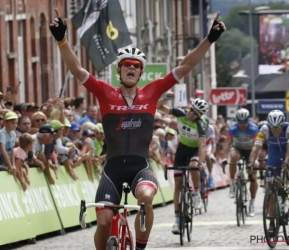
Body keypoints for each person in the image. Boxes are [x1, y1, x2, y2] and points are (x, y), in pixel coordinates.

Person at [49, 8, 225, 250]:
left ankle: (140, 247)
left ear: (141, 72)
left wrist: (209, 40)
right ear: (119, 70)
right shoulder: (105, 92)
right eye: (126, 65)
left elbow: (184, 66)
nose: (131, 68)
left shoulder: (151, 93)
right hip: (112, 168)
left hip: (140, 166)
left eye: (135, 65)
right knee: (102, 222)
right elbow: (77, 70)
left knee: (145, 197)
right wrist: (61, 40)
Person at [157, 97, 208, 234]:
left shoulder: (201, 125)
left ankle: (196, 192)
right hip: (182, 150)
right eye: (192, 110)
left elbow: (202, 146)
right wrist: (167, 96)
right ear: (189, 108)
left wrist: (201, 163)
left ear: (200, 115)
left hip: (195, 150)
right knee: (178, 183)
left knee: (193, 166)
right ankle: (177, 219)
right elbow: (159, 107)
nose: (192, 114)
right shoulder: (181, 113)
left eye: (196, 113)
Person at [249, 110, 289, 232]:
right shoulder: (265, 129)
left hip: (286, 154)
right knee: (271, 190)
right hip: (274, 157)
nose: (276, 131)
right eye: (273, 128)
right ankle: (272, 223)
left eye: (278, 128)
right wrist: (252, 162)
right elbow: (255, 149)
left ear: (283, 125)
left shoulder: (287, 129)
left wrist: (286, 162)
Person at [223, 108, 258, 215]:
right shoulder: (233, 128)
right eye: (240, 123)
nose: (242, 125)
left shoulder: (253, 128)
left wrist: (252, 161)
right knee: (233, 157)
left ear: (248, 120)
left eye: (244, 123)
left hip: (250, 150)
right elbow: (227, 143)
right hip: (237, 148)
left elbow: (257, 146)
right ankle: (233, 183)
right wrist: (225, 157)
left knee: (253, 173)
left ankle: (252, 203)